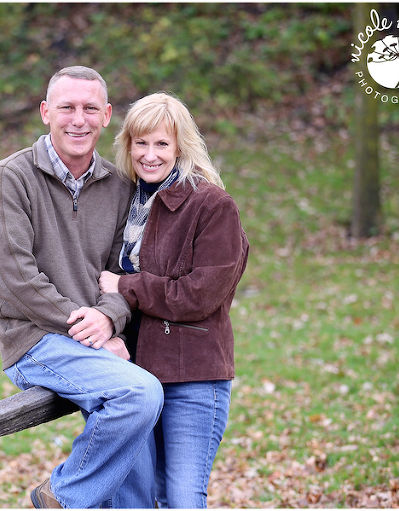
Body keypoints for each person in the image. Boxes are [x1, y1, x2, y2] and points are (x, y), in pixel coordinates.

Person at [0, 66, 164, 509]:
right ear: (46, 112)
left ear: (107, 115)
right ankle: (63, 497)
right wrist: (89, 329)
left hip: (94, 337)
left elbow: (121, 272)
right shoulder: (10, 178)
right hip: (35, 339)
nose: (78, 120)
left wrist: (109, 319)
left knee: (139, 472)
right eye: (67, 108)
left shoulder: (120, 186)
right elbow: (14, 277)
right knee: (139, 394)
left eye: (89, 109)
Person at [99, 92, 249, 509]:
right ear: (128, 145)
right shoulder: (125, 202)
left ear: (180, 146)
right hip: (133, 376)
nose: (150, 155)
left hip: (193, 377)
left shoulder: (212, 205)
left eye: (162, 144)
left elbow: (199, 295)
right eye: (141, 143)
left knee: (181, 498)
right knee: (134, 498)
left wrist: (127, 287)